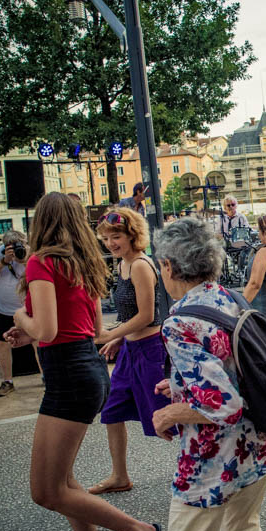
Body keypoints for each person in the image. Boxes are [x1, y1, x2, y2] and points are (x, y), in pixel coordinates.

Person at [3, 192, 160, 531]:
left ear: (41, 222)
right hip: (84, 369)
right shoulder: (82, 262)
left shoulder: (41, 261)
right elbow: (84, 328)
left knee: (47, 491)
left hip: (69, 377)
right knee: (64, 480)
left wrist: (21, 317)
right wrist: (32, 332)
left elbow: (47, 329)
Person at [149, 219, 266, 531]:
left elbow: (223, 406)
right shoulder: (228, 297)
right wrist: (179, 385)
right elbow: (231, 365)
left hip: (212, 461)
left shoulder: (179, 322)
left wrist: (170, 413)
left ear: (168, 266)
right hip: (259, 446)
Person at [89, 207, 170, 495]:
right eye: (106, 238)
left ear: (132, 235)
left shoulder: (140, 265)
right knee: (112, 411)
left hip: (151, 351)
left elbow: (148, 315)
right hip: (131, 350)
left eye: (116, 236)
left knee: (168, 417)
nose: (110, 243)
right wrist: (121, 339)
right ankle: (119, 476)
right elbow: (133, 314)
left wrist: (110, 334)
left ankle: (206, 466)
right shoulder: (123, 264)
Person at [0, 230, 32, 398]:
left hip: (27, 307)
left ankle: (45, 377)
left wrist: (24, 259)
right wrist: (5, 260)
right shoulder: (2, 252)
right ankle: (7, 381)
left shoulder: (30, 250)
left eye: (20, 244)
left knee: (37, 341)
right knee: (2, 343)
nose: (17, 248)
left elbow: (38, 271)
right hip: (2, 308)